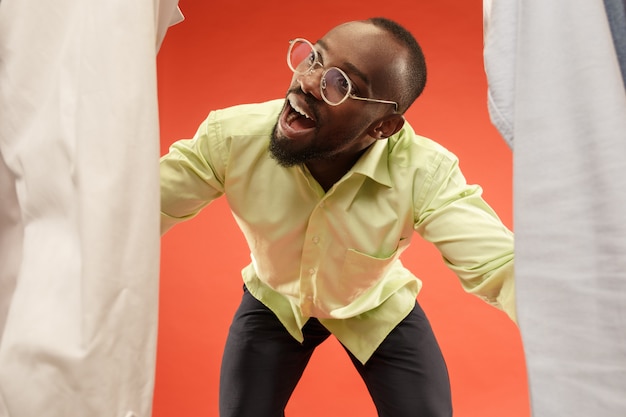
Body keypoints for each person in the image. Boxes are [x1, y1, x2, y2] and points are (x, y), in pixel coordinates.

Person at [160, 17, 515, 417]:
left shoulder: (424, 173)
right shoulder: (231, 138)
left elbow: (500, 265)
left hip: (374, 305)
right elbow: (139, 212)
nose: (310, 82)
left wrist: (579, 329)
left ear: (384, 126)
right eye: (313, 59)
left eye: (341, 84)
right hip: (276, 300)